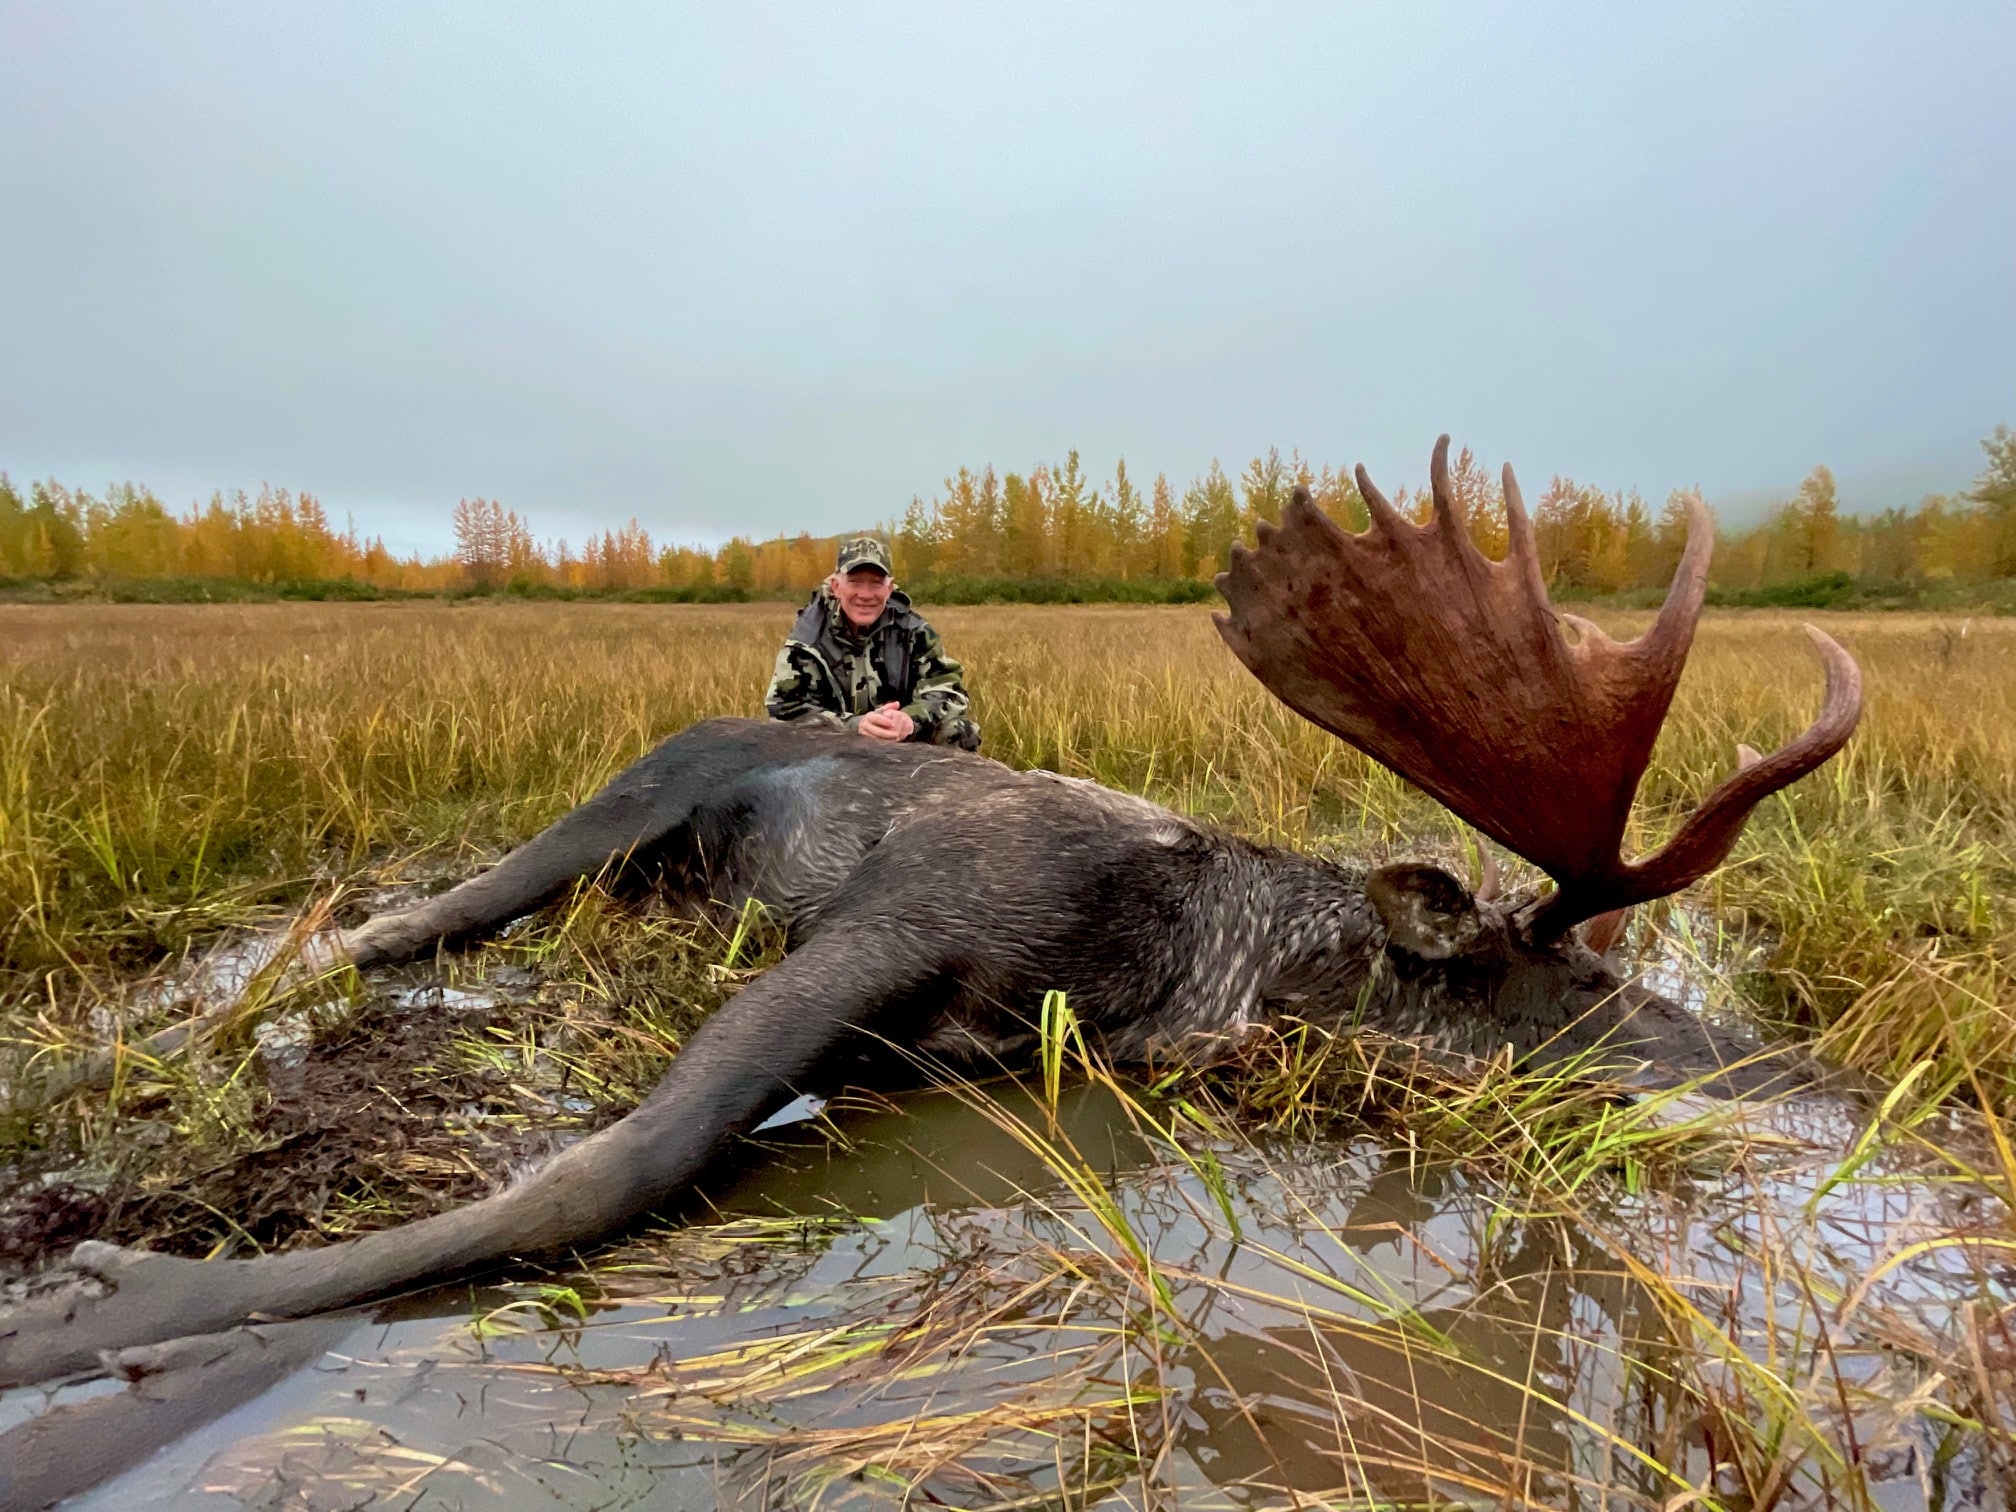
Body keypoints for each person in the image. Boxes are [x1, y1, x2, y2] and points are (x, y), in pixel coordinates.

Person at [764, 535, 983, 750]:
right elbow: (784, 710)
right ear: (836, 586)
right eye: (855, 582)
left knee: (960, 731)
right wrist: (852, 726)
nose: (866, 595)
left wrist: (910, 719)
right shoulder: (806, 640)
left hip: (901, 741)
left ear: (889, 589)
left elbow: (948, 686)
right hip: (832, 748)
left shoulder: (914, 631)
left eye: (876, 583)